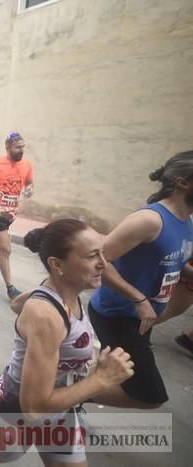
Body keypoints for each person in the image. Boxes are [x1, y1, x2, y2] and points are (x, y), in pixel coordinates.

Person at [0, 219, 136, 466]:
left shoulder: (65, 291)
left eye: (102, 253)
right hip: (17, 406)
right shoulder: (47, 316)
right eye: (92, 256)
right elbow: (34, 408)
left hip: (61, 403)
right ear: (57, 264)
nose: (103, 264)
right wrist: (100, 380)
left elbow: (16, 304)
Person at [88, 151, 193, 408]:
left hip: (142, 319)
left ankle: (78, 388)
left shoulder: (187, 220)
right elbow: (101, 261)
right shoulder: (149, 220)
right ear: (183, 182)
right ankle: (68, 396)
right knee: (149, 397)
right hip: (118, 315)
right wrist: (139, 298)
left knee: (122, 376)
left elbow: (171, 262)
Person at [0, 132, 35, 300]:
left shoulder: (26, 164)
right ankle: (10, 288)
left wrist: (29, 189)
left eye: (23, 147)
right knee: (5, 248)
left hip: (11, 214)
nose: (21, 150)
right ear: (8, 147)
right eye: (17, 147)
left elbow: (29, 183)